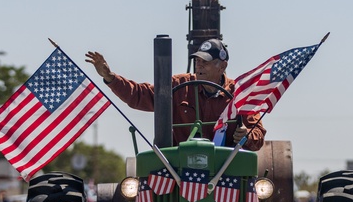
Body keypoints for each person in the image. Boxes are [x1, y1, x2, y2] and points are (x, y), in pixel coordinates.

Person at [85, 39, 266, 150]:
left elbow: (258, 133)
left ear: (222, 66)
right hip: (179, 169)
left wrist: (246, 135)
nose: (199, 66)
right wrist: (110, 77)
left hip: (226, 169)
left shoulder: (239, 95)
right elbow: (139, 95)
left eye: (206, 62)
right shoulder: (179, 85)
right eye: (197, 61)